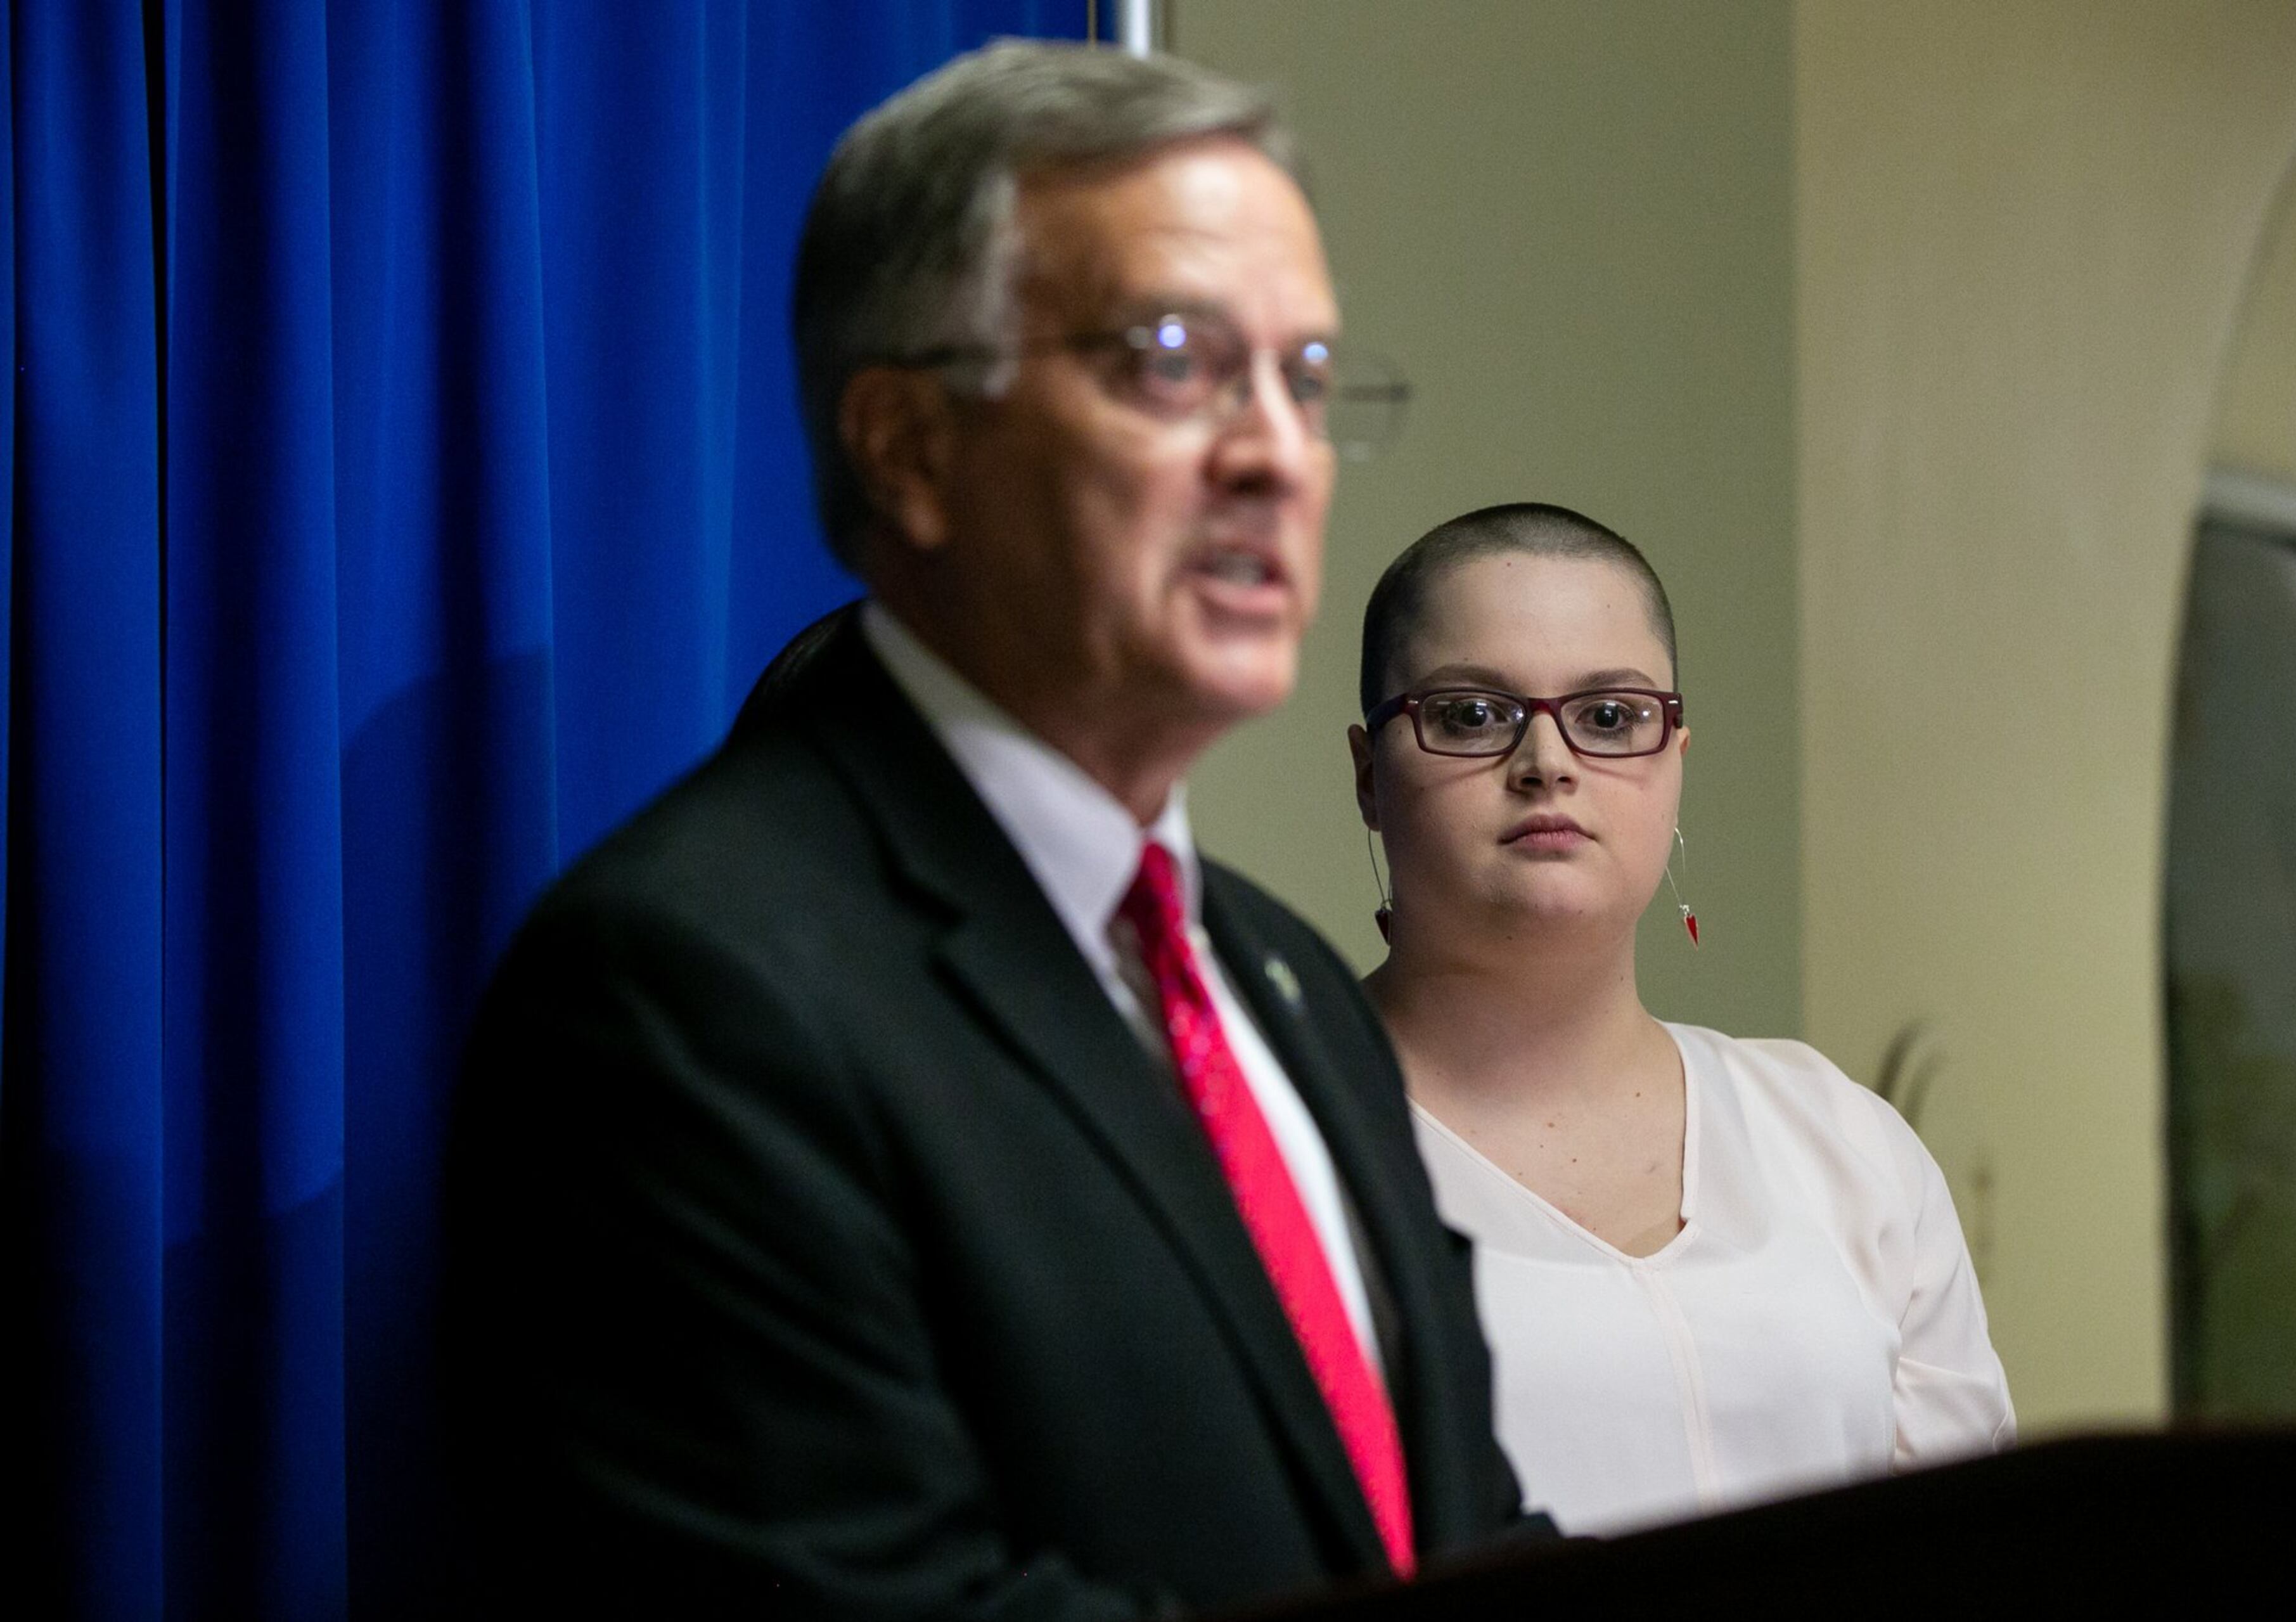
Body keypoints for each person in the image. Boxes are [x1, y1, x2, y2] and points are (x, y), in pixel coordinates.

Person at [440, 42, 1534, 1619]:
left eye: (1303, 378)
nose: (1276, 454)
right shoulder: (686, 995)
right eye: (1175, 360)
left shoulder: (1284, 981)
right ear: (909, 443)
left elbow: (1459, 1534)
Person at [1347, 502, 2014, 1536]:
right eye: (1473, 714)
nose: (1548, 762)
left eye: (1610, 718)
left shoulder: (1839, 1142)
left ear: (1676, 758)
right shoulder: (1281, 1139)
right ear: (1368, 776)